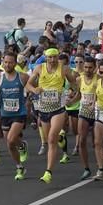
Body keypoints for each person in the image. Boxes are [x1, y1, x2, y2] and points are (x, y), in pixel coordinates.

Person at [25, 47, 78, 184]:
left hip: (58, 109)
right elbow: (28, 84)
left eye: (55, 57)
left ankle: (48, 172)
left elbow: (73, 82)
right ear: (45, 57)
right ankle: (61, 139)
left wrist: (70, 92)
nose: (52, 60)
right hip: (43, 109)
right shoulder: (39, 68)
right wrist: (34, 89)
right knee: (50, 141)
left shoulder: (64, 69)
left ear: (58, 56)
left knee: (51, 138)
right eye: (50, 57)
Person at [0, 52, 30, 180]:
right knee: (10, 144)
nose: (7, 65)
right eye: (5, 62)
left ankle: (21, 146)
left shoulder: (23, 77)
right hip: (5, 114)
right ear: (2, 62)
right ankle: (19, 166)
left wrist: (32, 95)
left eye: (10, 62)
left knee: (11, 139)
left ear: (15, 63)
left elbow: (33, 86)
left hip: (19, 113)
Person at [76, 56, 97, 180]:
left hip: (97, 113)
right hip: (83, 112)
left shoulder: (99, 79)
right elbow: (79, 94)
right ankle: (86, 168)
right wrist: (70, 101)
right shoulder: (79, 79)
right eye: (86, 67)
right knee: (82, 140)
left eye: (90, 68)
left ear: (94, 68)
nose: (87, 70)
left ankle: (101, 164)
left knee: (97, 142)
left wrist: (95, 102)